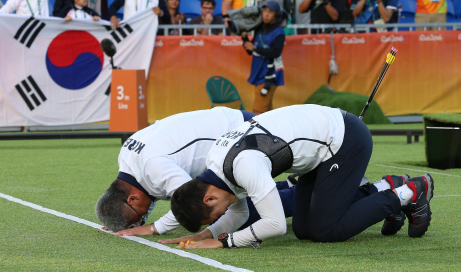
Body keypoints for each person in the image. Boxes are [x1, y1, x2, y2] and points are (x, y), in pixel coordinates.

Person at [168, 105, 435, 249]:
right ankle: (385, 187)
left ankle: (410, 192)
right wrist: (206, 234)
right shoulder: (215, 169)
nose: (222, 216)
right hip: (319, 152)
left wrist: (225, 241)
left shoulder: (244, 166)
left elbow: (274, 225)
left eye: (216, 214)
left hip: (346, 141)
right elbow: (238, 214)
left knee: (326, 230)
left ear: (209, 196)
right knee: (305, 230)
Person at [94, 108, 296, 236]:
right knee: (222, 206)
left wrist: (153, 228)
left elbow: (190, 200)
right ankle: (289, 185)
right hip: (232, 124)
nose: (145, 217)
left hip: (245, 132)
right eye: (142, 220)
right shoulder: (128, 157)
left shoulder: (153, 166)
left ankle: (301, 196)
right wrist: (120, 221)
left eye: (141, 217)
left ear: (132, 199)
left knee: (227, 215)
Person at [240, 1, 285, 115]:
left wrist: (254, 48)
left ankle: (257, 133)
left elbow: (275, 53)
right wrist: (244, 38)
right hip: (259, 73)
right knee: (267, 112)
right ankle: (274, 132)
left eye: (270, 12)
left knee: (257, 112)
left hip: (269, 75)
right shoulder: (259, 29)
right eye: (264, 11)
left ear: (276, 14)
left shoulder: (279, 32)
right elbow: (251, 51)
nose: (266, 14)